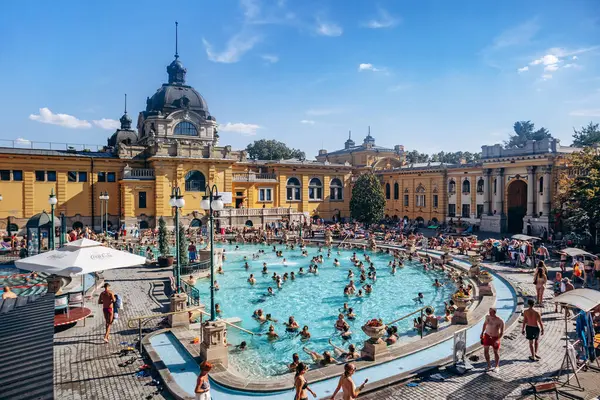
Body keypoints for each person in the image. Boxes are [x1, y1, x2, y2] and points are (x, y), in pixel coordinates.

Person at [481, 307, 504, 372]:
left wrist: (497, 340)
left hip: (495, 337)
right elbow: (484, 324)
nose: (489, 313)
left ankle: (497, 366)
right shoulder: (487, 317)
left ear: (494, 312)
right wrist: (482, 333)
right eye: (489, 311)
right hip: (487, 336)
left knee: (496, 352)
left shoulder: (500, 321)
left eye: (491, 312)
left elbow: (502, 332)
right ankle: (489, 365)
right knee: (485, 351)